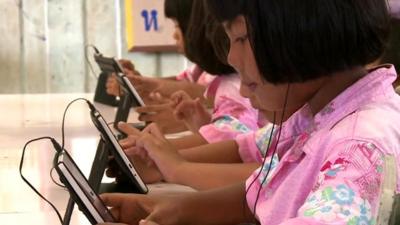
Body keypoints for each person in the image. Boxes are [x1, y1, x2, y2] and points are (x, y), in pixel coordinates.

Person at [98, 0, 400, 224]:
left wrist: (175, 170)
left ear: (301, 31)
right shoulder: (318, 114)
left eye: (240, 38)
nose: (230, 56)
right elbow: (264, 192)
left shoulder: (359, 148)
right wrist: (178, 211)